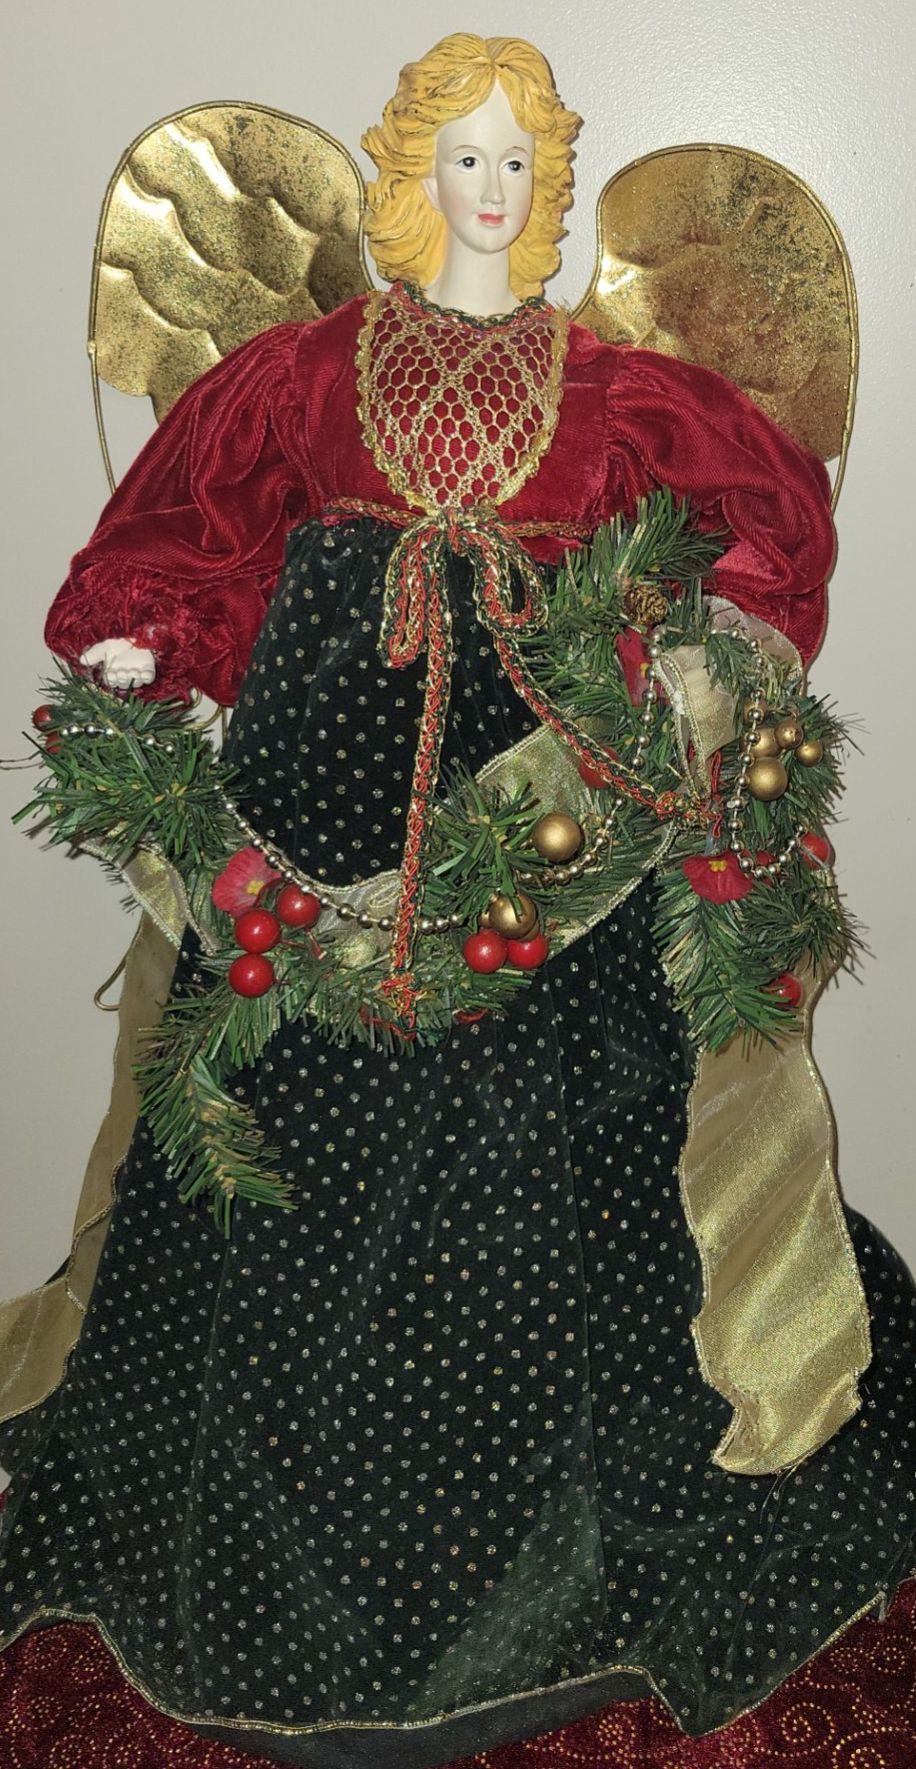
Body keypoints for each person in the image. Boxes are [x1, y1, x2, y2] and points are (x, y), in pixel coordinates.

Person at [0, 31, 913, 1769]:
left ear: (546, 188)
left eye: (518, 164)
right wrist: (150, 636)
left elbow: (748, 518)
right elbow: (203, 513)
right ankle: (245, 1534)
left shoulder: (613, 387)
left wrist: (720, 643)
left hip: (543, 812)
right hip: (311, 780)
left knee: (552, 1133)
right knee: (281, 1118)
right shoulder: (304, 368)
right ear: (413, 175)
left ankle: (557, 1559)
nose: (491, 190)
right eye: (462, 159)